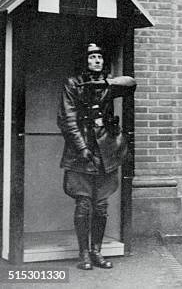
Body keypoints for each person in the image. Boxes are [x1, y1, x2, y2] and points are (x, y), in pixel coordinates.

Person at [58, 43, 136, 271]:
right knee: (83, 205)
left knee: (101, 206)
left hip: (105, 152)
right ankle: (83, 254)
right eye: (92, 57)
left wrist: (105, 83)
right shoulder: (72, 84)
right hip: (80, 152)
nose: (97, 61)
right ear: (85, 60)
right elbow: (67, 119)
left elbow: (131, 84)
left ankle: (97, 252)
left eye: (100, 57)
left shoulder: (107, 84)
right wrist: (82, 148)